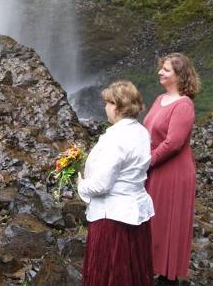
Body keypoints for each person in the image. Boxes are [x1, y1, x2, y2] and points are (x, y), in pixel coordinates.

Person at [77, 80, 155, 286]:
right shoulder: (141, 131)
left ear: (119, 107)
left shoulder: (116, 138)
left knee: (111, 272)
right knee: (132, 269)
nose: (105, 107)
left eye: (108, 103)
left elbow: (102, 184)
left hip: (113, 217)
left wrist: (81, 184)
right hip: (134, 211)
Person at [143, 52, 200, 285]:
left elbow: (173, 143)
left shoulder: (184, 104)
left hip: (174, 172)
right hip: (156, 168)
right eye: (161, 68)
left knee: (169, 222)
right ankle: (154, 269)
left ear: (179, 75)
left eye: (166, 69)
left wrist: (146, 162)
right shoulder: (159, 99)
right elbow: (147, 132)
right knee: (155, 221)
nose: (160, 72)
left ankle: (168, 278)